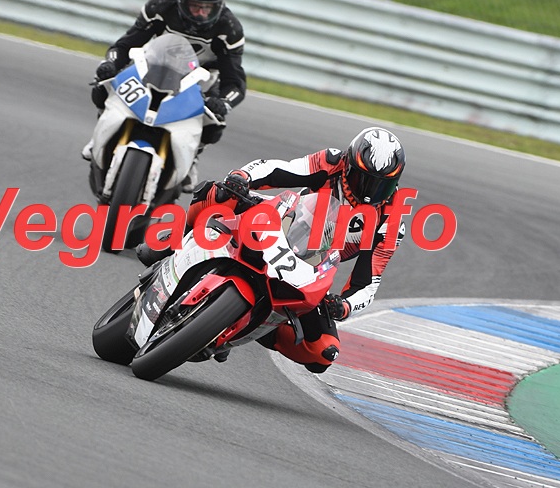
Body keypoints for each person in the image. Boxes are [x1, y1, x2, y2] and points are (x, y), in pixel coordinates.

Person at [137, 126, 408, 374]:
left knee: (323, 352)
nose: (370, 192)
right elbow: (279, 169)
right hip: (283, 220)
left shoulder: (391, 222)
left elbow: (368, 282)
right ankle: (176, 240)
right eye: (363, 179)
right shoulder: (332, 161)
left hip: (312, 264)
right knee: (220, 193)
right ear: (348, 165)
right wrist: (243, 177)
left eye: (381, 184)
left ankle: (244, 327)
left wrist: (344, 306)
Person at [82, 0, 247, 192]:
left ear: (218, 6)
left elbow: (235, 82)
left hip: (200, 79)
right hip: (155, 66)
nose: (200, 13)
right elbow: (125, 45)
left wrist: (223, 102)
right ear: (181, 0)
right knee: (103, 84)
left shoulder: (229, 29)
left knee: (215, 121)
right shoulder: (160, 9)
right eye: (195, 6)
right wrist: (110, 64)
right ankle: (100, 135)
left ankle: (192, 157)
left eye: (207, 8)